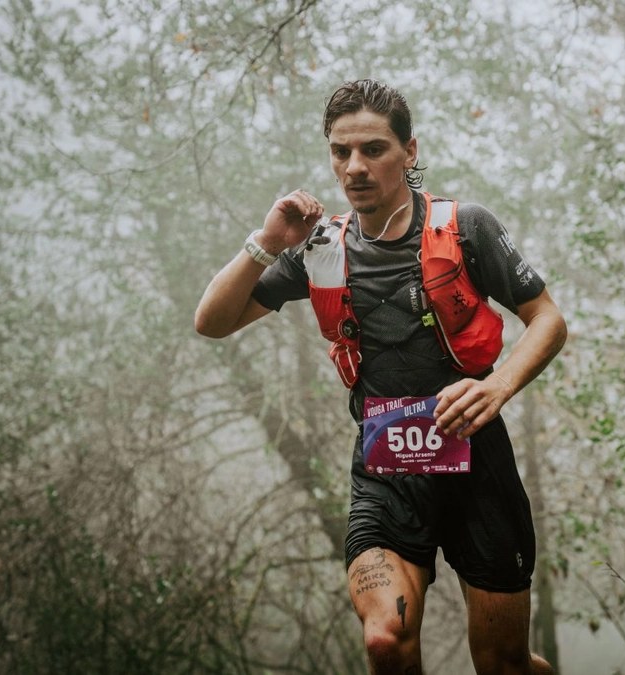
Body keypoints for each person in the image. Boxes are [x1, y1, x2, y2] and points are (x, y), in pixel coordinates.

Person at [195, 79, 565, 675]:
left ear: (410, 152)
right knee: (383, 642)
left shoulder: (465, 227)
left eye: (373, 149)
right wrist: (266, 243)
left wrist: (497, 387)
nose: (354, 167)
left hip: (478, 466)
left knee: (504, 664)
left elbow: (547, 318)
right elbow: (212, 322)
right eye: (341, 152)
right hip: (386, 473)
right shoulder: (320, 245)